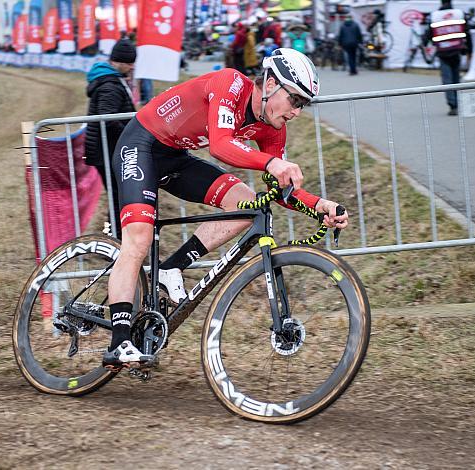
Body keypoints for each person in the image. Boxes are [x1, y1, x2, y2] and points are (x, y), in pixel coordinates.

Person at [101, 48, 349, 369]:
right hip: (141, 144)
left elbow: (282, 189)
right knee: (139, 239)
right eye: (295, 100)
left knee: (245, 205)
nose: (297, 111)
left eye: (303, 104)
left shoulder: (273, 128)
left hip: (177, 157)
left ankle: (171, 267)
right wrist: (272, 162)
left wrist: (320, 206)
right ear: (271, 83)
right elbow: (220, 145)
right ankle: (119, 341)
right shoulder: (230, 83)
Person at [84, 38, 137, 239]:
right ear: (119, 62)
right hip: (107, 150)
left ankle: (113, 234)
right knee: (118, 195)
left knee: (118, 194)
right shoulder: (110, 86)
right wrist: (132, 134)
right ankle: (115, 237)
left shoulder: (110, 79)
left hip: (108, 149)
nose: (132, 66)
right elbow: (108, 118)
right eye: (130, 62)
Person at [427, 0, 472, 115]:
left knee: (447, 80)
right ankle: (457, 102)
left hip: (443, 52)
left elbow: (428, 34)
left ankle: (453, 105)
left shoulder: (436, 16)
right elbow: (467, 32)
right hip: (457, 50)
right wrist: (469, 50)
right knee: (456, 78)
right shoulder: (459, 14)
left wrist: (426, 43)